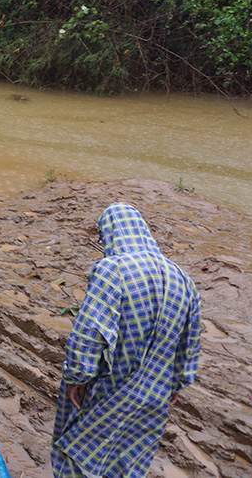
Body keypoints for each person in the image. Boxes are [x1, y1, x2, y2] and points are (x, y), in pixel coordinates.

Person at [51, 202, 202, 478]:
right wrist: (176, 385)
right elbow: (189, 347)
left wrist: (77, 377)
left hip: (108, 391)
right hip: (155, 397)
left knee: (78, 456)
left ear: (110, 234)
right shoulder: (185, 281)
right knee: (127, 463)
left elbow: (89, 333)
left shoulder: (112, 270)